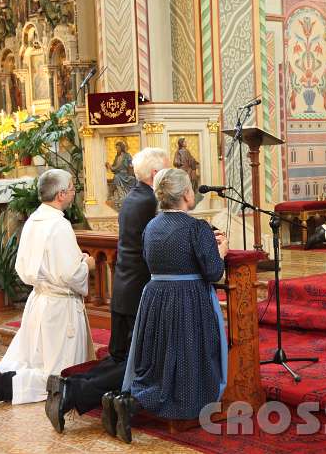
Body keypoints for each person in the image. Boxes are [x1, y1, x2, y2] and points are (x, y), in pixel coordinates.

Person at [44, 147, 169, 433]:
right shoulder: (151, 201)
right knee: (135, 362)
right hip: (139, 293)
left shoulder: (132, 198)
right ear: (155, 174)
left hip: (124, 288)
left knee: (120, 357)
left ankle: (67, 385)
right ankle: (72, 392)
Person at [104, 168, 229, 443]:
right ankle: (137, 404)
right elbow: (213, 272)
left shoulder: (152, 226)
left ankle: (127, 398)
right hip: (188, 299)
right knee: (185, 358)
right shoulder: (196, 228)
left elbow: (150, 259)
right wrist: (221, 251)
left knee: (159, 359)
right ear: (186, 193)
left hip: (156, 297)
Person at [0, 169, 94, 409]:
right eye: (71, 188)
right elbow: (70, 274)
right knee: (58, 375)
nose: (73, 192)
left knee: (32, 360)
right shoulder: (59, 226)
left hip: (39, 300)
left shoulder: (34, 220)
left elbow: (28, 265)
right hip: (60, 308)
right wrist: (86, 264)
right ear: (61, 194)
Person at [106, 141, 136, 210]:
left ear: (121, 148)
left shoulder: (127, 155)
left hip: (126, 174)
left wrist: (131, 166)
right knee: (116, 177)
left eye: (118, 148)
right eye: (116, 148)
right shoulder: (117, 157)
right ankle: (120, 196)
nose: (117, 149)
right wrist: (109, 166)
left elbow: (131, 164)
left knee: (132, 179)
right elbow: (114, 167)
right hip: (119, 174)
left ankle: (125, 196)